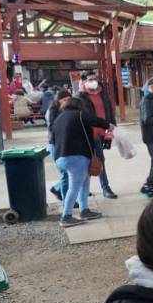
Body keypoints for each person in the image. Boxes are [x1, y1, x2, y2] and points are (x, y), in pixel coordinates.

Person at [50, 96, 113, 227]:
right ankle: (66, 216)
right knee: (74, 186)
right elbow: (95, 120)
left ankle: (85, 210)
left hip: (60, 157)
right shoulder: (79, 115)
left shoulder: (58, 119)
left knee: (84, 182)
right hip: (76, 157)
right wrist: (109, 125)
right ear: (79, 106)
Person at [77, 71, 118, 199]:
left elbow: (110, 111)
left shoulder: (103, 93)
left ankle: (80, 187)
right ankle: (105, 188)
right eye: (90, 79)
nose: (93, 81)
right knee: (97, 160)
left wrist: (112, 128)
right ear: (84, 81)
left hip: (104, 130)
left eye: (95, 78)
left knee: (95, 160)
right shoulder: (80, 96)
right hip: (91, 132)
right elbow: (82, 116)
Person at [47, 90, 71, 203]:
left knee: (68, 173)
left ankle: (57, 188)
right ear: (58, 100)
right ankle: (67, 200)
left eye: (68, 99)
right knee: (65, 173)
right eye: (64, 100)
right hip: (56, 145)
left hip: (65, 144)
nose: (66, 101)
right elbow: (52, 127)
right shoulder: (53, 110)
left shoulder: (68, 109)